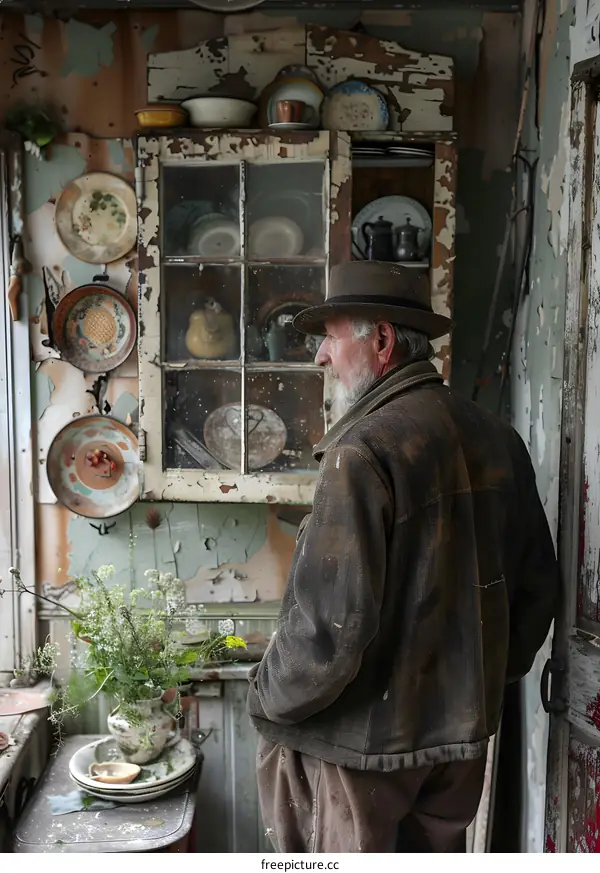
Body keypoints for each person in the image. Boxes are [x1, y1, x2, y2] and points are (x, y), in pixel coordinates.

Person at [246, 261, 558, 854]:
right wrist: (475, 689)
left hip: (360, 756)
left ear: (381, 340)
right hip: (458, 749)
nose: (320, 357)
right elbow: (536, 593)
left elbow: (327, 636)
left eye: (331, 336)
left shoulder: (361, 451)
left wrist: (265, 698)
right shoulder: (499, 440)